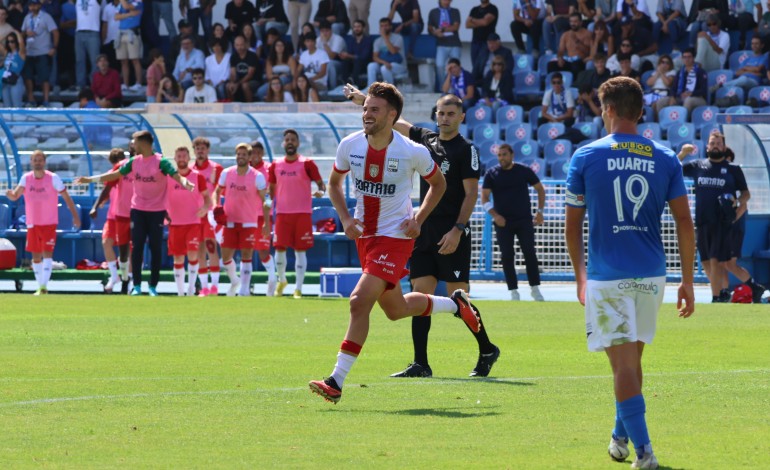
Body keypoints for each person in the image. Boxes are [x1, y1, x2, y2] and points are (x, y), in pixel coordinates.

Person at [308, 82, 482, 404]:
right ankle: (456, 304)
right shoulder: (349, 145)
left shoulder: (411, 150)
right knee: (396, 310)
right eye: (365, 108)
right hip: (367, 238)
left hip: (396, 237)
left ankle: (336, 380)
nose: (366, 114)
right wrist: (346, 219)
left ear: (392, 114)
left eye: (374, 109)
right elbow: (334, 184)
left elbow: (439, 185)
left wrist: (418, 218)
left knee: (359, 301)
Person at [565, 76, 695, 469]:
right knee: (631, 363)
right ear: (641, 112)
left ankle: (646, 453)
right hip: (653, 274)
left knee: (621, 365)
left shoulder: (586, 156)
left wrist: (579, 276)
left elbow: (572, 225)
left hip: (608, 275)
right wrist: (687, 280)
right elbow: (686, 224)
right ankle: (620, 437)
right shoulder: (667, 157)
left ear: (607, 110)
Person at [344, 86, 499, 378]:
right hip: (420, 230)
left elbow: (470, 194)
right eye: (440, 113)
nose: (444, 118)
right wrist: (363, 100)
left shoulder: (467, 150)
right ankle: (420, 363)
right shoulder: (426, 140)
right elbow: (393, 120)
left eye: (451, 114)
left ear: (462, 117)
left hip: (451, 231)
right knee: (420, 294)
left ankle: (487, 348)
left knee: (458, 297)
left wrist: (458, 229)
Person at [76, 130, 195, 296]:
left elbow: (175, 176)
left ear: (144, 143)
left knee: (155, 248)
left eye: (135, 142)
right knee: (137, 247)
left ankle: (153, 286)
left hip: (156, 211)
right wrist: (90, 180)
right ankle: (137, 286)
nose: (133, 145)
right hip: (138, 210)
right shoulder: (133, 162)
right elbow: (115, 175)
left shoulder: (161, 162)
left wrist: (185, 183)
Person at [678, 133, 766, 303]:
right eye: (712, 143)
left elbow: (746, 194)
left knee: (715, 260)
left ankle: (717, 297)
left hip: (722, 222)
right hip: (703, 220)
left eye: (719, 143)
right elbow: (672, 167)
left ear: (724, 147)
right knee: (705, 262)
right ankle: (731, 291)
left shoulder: (733, 169)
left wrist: (737, 201)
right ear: (707, 147)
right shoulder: (698, 165)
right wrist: (682, 153)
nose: (716, 146)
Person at [5, 150, 81, 295]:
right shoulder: (26, 178)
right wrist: (10, 195)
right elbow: (15, 196)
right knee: (35, 256)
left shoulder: (53, 178)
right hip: (32, 223)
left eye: (40, 160)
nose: (38, 162)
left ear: (44, 162)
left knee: (47, 254)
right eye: (35, 160)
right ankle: (40, 286)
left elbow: (67, 197)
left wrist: (75, 216)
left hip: (49, 222)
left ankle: (43, 286)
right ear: (31, 162)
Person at [482, 143, 546, 301]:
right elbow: (484, 198)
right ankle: (513, 291)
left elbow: (540, 189)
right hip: (503, 223)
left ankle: (535, 289)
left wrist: (540, 212)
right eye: (499, 155)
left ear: (512, 155)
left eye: (504, 154)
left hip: (524, 220)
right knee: (507, 255)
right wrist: (495, 215)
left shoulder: (523, 171)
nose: (502, 158)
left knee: (530, 253)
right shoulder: (492, 174)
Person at [268, 129, 326, 298]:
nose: (290, 142)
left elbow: (321, 186)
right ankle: (282, 280)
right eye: (287, 140)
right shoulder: (276, 164)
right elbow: (271, 189)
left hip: (302, 214)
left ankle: (298, 288)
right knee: (279, 250)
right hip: (282, 214)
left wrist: (320, 193)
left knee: (300, 251)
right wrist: (268, 204)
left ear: (298, 143)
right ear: (283, 143)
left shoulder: (307, 163)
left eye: (293, 139)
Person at [213, 143, 272, 297]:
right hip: (230, 221)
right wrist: (216, 206)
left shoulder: (257, 176)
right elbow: (217, 191)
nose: (240, 157)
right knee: (225, 257)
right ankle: (234, 281)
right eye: (238, 154)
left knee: (247, 255)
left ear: (250, 157)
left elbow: (266, 200)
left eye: (244, 154)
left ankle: (244, 290)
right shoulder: (227, 173)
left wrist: (266, 221)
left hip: (249, 221)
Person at [166, 146, 211, 296]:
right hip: (175, 223)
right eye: (179, 156)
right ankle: (180, 292)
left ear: (189, 158)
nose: (182, 159)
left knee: (193, 255)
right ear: (175, 158)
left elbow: (207, 197)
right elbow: (161, 196)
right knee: (178, 257)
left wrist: (205, 207)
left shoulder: (197, 177)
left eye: (184, 156)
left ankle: (191, 289)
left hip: (193, 222)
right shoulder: (169, 176)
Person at [88, 147, 132, 293]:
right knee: (107, 242)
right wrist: (98, 205)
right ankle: (114, 276)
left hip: (129, 214)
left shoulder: (133, 170)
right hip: (113, 216)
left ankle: (129, 279)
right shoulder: (111, 174)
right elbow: (107, 191)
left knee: (128, 250)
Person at [191, 136, 224, 297]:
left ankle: (215, 287)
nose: (200, 151)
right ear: (194, 151)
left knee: (212, 248)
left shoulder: (216, 169)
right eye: (197, 148)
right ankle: (204, 288)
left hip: (210, 215)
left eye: (203, 148)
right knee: (198, 251)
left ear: (208, 150)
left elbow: (221, 191)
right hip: (195, 215)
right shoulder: (190, 169)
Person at [249, 140, 278, 296]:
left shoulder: (268, 169)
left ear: (262, 154)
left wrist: (267, 208)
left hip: (262, 216)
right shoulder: (244, 170)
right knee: (245, 251)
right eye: (253, 152)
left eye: (258, 153)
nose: (255, 156)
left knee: (262, 252)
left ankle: (272, 279)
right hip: (245, 216)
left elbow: (269, 193)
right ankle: (244, 288)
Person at [21, 0, 58, 107]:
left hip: (43, 51)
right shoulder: (27, 18)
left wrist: (54, 47)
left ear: (39, 6)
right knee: (28, 77)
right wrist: (26, 33)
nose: (33, 7)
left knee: (44, 77)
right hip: (29, 51)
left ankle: (46, 100)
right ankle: (31, 99)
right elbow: (22, 33)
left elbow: (55, 32)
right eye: (31, 5)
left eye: (35, 5)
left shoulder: (46, 17)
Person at [653, 48, 707, 114]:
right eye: (684, 57)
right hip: (681, 97)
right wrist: (672, 97)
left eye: (689, 57)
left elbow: (704, 90)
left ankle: (683, 122)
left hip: (698, 98)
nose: (687, 59)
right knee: (661, 102)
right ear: (682, 58)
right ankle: (663, 121)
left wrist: (691, 93)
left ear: (693, 58)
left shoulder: (700, 72)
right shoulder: (680, 72)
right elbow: (674, 87)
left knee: (688, 100)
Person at [427, 0, 461, 91]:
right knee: (440, 65)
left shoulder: (455, 11)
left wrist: (441, 30)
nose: (446, 1)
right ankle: (444, 88)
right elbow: (429, 27)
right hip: (441, 43)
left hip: (454, 43)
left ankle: (456, 87)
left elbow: (455, 27)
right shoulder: (433, 12)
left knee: (455, 66)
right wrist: (435, 33)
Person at [114, 0, 144, 92]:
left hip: (132, 33)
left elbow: (127, 7)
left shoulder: (138, 2)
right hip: (121, 33)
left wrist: (125, 12)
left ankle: (138, 83)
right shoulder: (121, 4)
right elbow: (116, 17)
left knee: (135, 59)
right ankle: (125, 84)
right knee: (123, 61)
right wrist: (129, 15)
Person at [367, 17, 406, 86]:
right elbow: (375, 57)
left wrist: (385, 37)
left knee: (384, 68)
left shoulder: (398, 38)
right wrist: (384, 62)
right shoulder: (377, 41)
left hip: (398, 65)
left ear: (390, 27)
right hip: (384, 63)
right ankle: (370, 88)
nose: (384, 28)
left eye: (386, 25)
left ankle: (389, 90)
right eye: (382, 26)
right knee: (371, 65)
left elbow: (393, 51)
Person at [74, 0, 101, 91]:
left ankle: (95, 83)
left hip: (93, 32)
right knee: (79, 60)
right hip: (79, 32)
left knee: (95, 61)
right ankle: (80, 84)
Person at [466, 0, 499, 74]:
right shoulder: (474, 9)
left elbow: (485, 22)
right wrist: (480, 22)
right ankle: (476, 83)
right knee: (475, 66)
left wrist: (473, 20)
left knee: (483, 66)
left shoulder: (492, 8)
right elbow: (467, 25)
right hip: (475, 41)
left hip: (487, 42)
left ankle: (484, 83)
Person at [227, 35, 260, 102]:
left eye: (241, 45)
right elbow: (233, 73)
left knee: (245, 85)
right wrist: (232, 82)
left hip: (254, 80)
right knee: (228, 86)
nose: (239, 47)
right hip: (239, 81)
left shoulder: (252, 56)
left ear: (246, 44)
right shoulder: (233, 57)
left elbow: (250, 75)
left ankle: (249, 107)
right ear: (234, 46)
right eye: (237, 45)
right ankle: (233, 107)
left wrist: (237, 84)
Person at [340, 19, 372, 88]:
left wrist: (348, 55)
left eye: (358, 26)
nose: (356, 29)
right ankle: (345, 83)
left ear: (363, 28)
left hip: (364, 64)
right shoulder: (351, 40)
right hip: (353, 64)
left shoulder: (368, 40)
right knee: (345, 61)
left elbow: (364, 57)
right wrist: (344, 56)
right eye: (355, 27)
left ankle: (356, 84)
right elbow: (349, 53)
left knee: (358, 61)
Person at [1, 31, 26, 108]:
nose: (10, 44)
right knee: (7, 105)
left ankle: (18, 120)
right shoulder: (7, 53)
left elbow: (21, 43)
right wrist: (6, 36)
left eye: (12, 41)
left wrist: (16, 32)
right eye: (8, 42)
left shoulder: (21, 53)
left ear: (16, 42)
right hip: (6, 80)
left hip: (16, 80)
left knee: (16, 105)